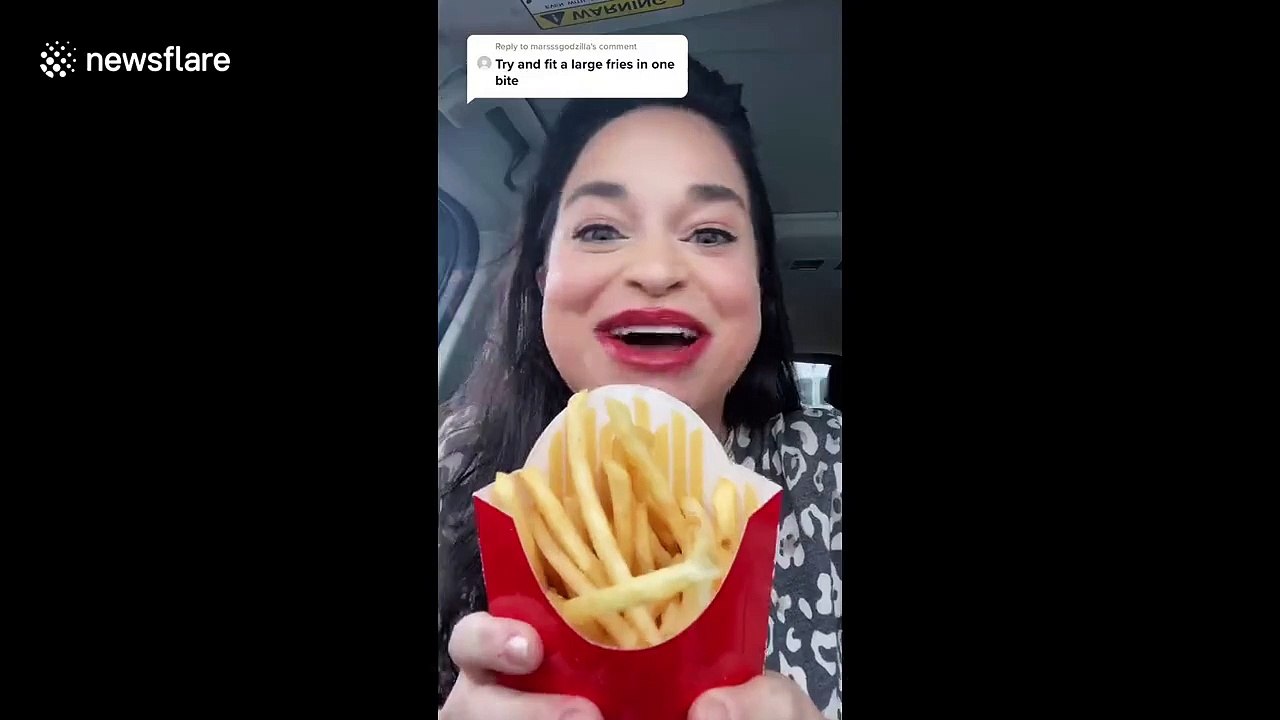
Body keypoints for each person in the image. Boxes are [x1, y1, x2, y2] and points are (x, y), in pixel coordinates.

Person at [438, 59, 842, 720]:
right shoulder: (451, 467)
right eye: (600, 230)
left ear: (761, 288)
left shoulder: (831, 471)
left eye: (710, 233)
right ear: (542, 277)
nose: (655, 270)